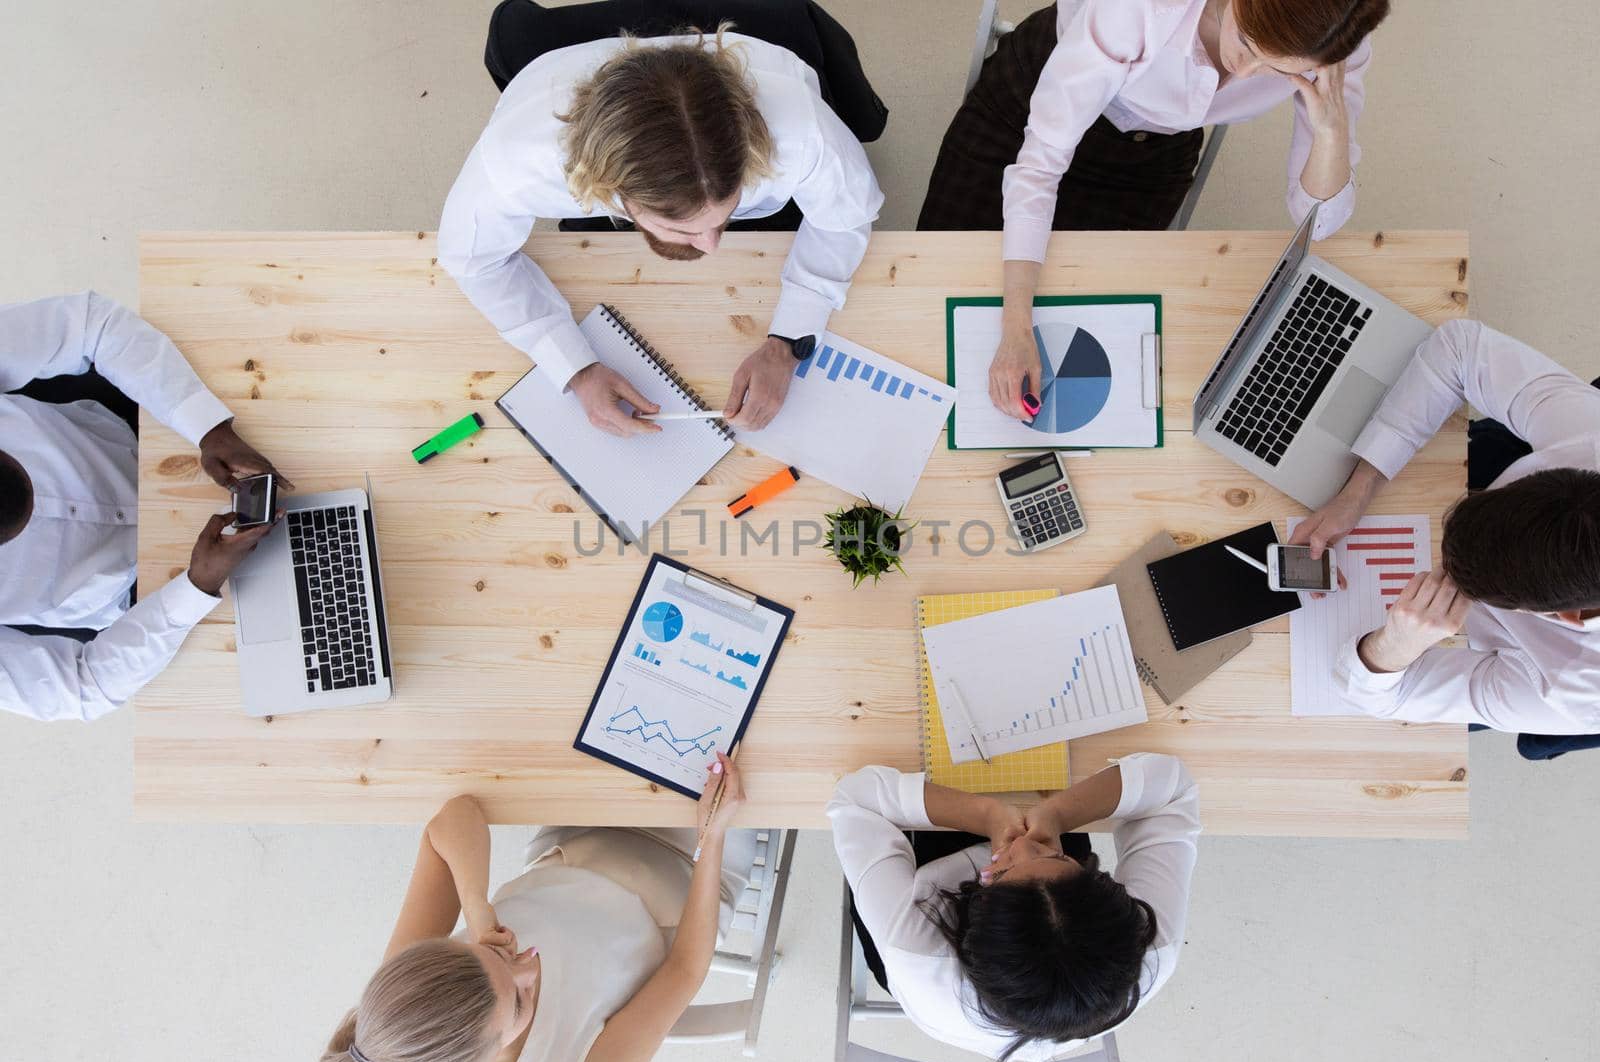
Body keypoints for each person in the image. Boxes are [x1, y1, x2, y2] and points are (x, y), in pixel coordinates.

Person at [918, 0, 1389, 421]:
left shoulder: (1336, 41)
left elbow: (1320, 222)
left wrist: (1330, 129)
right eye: (1246, 43)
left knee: (1100, 329)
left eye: (1277, 70)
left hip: (1149, 156)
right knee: (936, 296)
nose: (1244, 74)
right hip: (1031, 109)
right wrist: (1017, 328)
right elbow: (1039, 167)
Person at [439, 24, 884, 436]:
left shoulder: (801, 129)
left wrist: (788, 341)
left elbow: (846, 217)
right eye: (685, 229)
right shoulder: (516, 162)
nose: (711, 247)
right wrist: (573, 367)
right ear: (612, 190)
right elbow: (474, 261)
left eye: (722, 217)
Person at [322, 751, 759, 1062]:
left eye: (494, 956)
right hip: (690, 866)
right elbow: (684, 970)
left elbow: (453, 819)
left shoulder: (410, 1002)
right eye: (517, 1003)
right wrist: (712, 835)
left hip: (576, 832)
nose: (529, 966)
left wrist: (478, 913)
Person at [1292, 319, 1600, 734]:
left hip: (1496, 665)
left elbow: (1375, 696)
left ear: (1567, 615)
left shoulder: (1573, 693)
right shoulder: (1590, 439)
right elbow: (1459, 346)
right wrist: (1359, 489)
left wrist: (1395, 646)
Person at [0, 291, 287, 722]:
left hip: (151, 433)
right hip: (150, 598)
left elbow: (90, 325)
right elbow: (83, 688)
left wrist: (206, 426)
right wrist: (193, 588)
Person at [829, 753, 1199, 1062]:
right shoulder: (1143, 945)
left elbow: (855, 799)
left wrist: (985, 815)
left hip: (929, 899)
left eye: (1005, 869)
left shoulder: (915, 947)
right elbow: (1172, 789)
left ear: (975, 910)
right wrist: (1056, 817)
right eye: (1062, 859)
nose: (1021, 844)